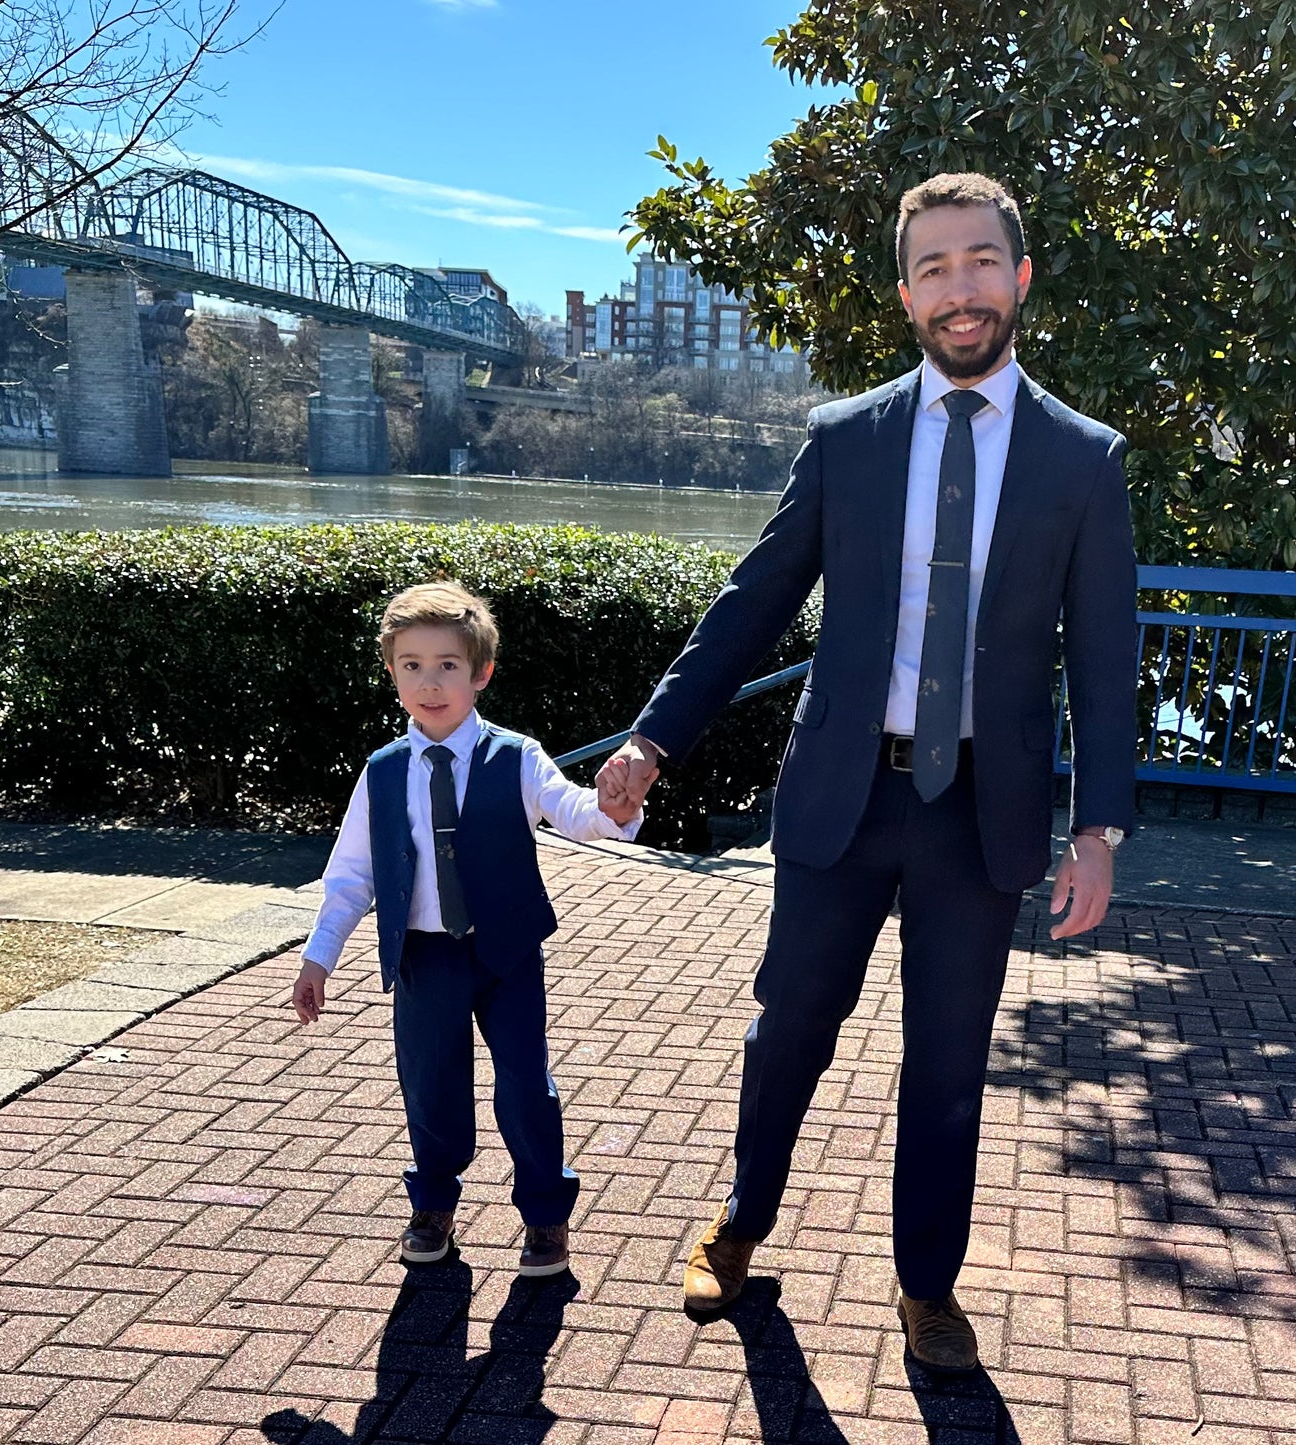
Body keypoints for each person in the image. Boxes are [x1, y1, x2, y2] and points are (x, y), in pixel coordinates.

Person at [600, 173, 1136, 1371]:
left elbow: (1105, 655)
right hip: (843, 799)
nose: (961, 287)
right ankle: (739, 1225)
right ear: (905, 294)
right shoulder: (844, 438)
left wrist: (1097, 826)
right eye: (935, 268)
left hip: (979, 818)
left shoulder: (1081, 460)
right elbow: (752, 603)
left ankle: (925, 1286)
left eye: (981, 260)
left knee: (946, 1069)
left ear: (1019, 276)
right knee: (787, 1028)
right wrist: (653, 735)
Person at [294, 581, 642, 1278]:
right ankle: (433, 1204)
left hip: (506, 950)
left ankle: (544, 1215)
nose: (430, 682)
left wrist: (612, 808)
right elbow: (351, 874)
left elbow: (571, 810)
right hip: (423, 956)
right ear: (391, 673)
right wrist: (318, 956)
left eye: (448, 664)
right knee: (429, 1085)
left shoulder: (515, 757)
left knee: (524, 1084)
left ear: (480, 672)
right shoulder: (383, 771)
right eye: (412, 664)